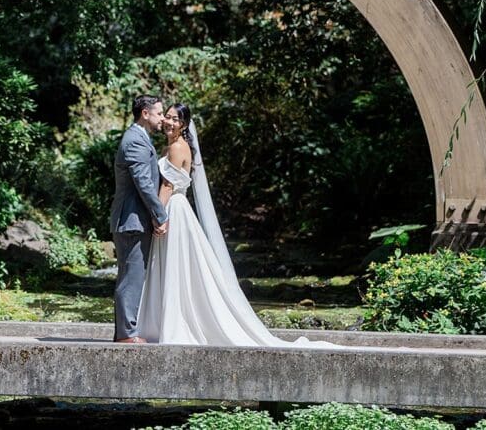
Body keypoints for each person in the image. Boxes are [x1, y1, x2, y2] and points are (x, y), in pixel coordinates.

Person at [136, 103, 342, 349]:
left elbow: (168, 186)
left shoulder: (176, 147)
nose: (169, 122)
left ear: (184, 124)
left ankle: (175, 323)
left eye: (175, 119)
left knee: (175, 265)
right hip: (178, 208)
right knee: (177, 265)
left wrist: (157, 216)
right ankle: (171, 320)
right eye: (167, 117)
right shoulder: (177, 146)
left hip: (173, 209)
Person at [109, 95, 170, 344]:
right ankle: (127, 334)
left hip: (133, 219)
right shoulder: (135, 140)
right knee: (131, 277)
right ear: (145, 113)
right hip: (131, 219)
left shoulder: (139, 138)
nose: (162, 118)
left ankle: (125, 331)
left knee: (132, 274)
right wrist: (160, 215)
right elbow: (143, 183)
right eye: (159, 113)